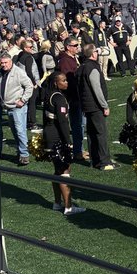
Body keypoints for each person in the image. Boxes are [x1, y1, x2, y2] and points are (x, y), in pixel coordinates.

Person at [41, 70, 85, 217]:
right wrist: (68, 142)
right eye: (63, 81)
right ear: (56, 83)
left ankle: (57, 202)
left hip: (49, 136)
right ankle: (68, 206)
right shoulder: (59, 98)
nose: (66, 82)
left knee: (57, 170)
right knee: (65, 171)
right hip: (57, 138)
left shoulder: (48, 95)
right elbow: (63, 122)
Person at [78, 42, 114, 171]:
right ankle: (104, 161)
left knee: (92, 134)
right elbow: (96, 88)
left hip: (87, 106)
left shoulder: (81, 67)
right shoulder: (92, 67)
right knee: (100, 133)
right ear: (93, 54)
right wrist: (104, 105)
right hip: (95, 106)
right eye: (96, 52)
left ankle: (94, 160)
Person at [0, 50, 34, 165]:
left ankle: (24, 155)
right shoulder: (2, 72)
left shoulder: (18, 72)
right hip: (8, 107)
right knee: (15, 131)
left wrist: (23, 100)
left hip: (18, 107)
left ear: (11, 62)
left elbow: (29, 86)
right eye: (2, 63)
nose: (4, 65)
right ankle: (20, 152)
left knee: (20, 131)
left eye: (6, 62)